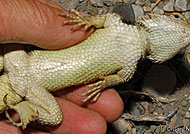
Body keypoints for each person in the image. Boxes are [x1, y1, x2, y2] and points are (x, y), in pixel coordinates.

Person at [0, 0, 124, 134]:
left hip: (28, 85)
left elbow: (121, 77)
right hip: (23, 67)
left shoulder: (129, 61)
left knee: (54, 117)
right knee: (13, 32)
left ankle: (27, 109)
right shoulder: (120, 26)